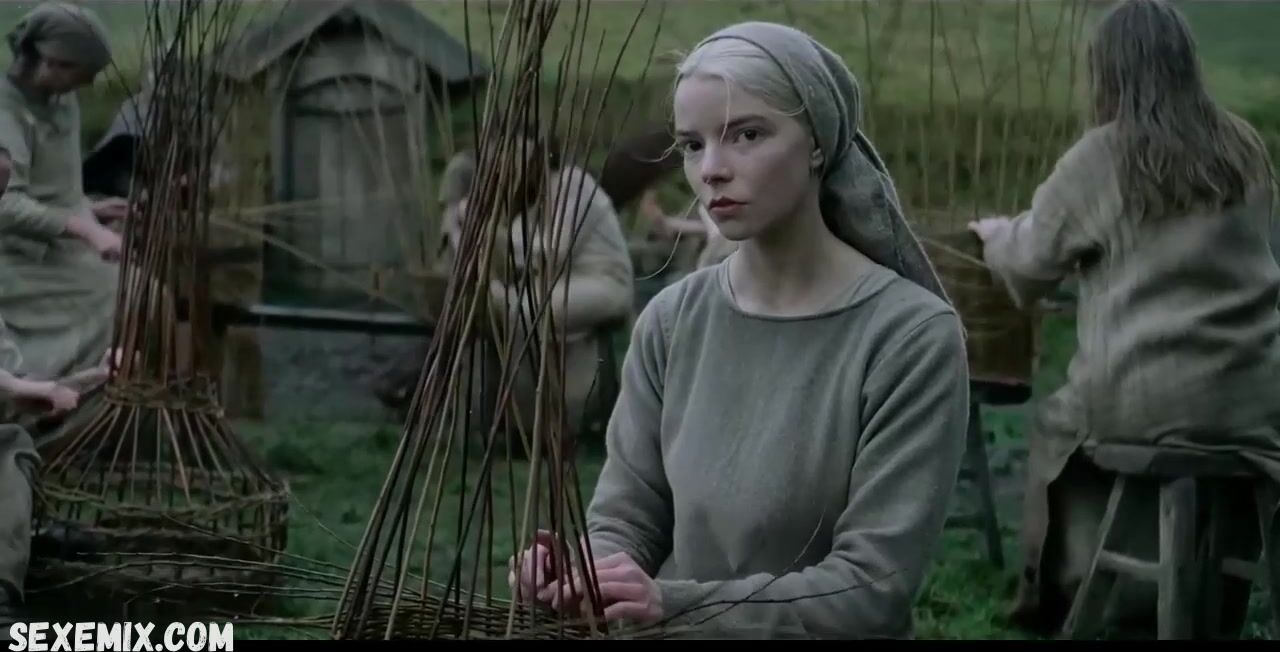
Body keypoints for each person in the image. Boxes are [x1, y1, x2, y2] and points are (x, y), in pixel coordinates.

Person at [510, 22, 969, 639]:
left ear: (817, 143)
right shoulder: (672, 321)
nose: (711, 170)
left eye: (747, 134)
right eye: (692, 145)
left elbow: (870, 588)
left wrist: (675, 604)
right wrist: (585, 574)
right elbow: (629, 515)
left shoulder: (910, 337)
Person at [967, 0, 1280, 636]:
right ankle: (1208, 593)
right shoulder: (1244, 146)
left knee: (1060, 427)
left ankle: (1065, 594)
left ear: (1108, 70)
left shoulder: (1101, 156)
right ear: (1185, 63)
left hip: (1143, 399)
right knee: (1205, 436)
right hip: (1256, 396)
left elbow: (1029, 265)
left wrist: (997, 236)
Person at [0, 2, 125, 385]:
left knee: (139, 288)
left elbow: (57, 185)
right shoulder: (6, 112)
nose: (85, 85)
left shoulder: (63, 102)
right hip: (17, 257)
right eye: (82, 74)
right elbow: (5, 203)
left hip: (59, 246)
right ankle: (45, 391)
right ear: (52, 62)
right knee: (118, 295)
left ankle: (102, 387)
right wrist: (88, 231)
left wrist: (91, 208)